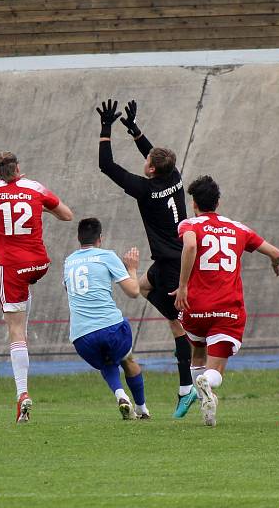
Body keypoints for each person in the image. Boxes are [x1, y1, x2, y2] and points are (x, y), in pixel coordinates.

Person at [96, 99, 197, 419]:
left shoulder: (145, 189)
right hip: (169, 260)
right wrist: (135, 130)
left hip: (171, 264)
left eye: (148, 161)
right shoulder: (175, 176)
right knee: (137, 287)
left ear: (151, 169)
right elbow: (156, 157)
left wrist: (106, 128)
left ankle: (186, 388)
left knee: (176, 324)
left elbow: (107, 167)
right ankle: (186, 382)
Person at [170, 175, 279, 427]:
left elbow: (189, 246)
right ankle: (207, 385)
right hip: (227, 310)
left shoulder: (189, 224)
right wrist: (276, 261)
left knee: (197, 352)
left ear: (194, 203)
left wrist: (182, 287)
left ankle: (205, 406)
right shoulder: (238, 228)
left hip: (194, 307)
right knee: (215, 370)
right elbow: (276, 252)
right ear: (218, 202)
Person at [0, 151, 73, 423]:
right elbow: (66, 215)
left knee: (14, 329)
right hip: (39, 262)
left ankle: (22, 394)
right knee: (22, 315)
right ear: (18, 168)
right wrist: (41, 205)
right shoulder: (34, 187)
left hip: (12, 266)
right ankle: (24, 356)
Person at [63, 218, 150, 420]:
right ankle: (142, 408)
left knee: (107, 363)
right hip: (110, 327)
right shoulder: (107, 256)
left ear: (79, 238)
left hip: (81, 336)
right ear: (100, 238)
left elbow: (69, 289)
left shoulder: (69, 262)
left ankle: (121, 395)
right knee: (127, 359)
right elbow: (134, 291)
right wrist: (132, 268)